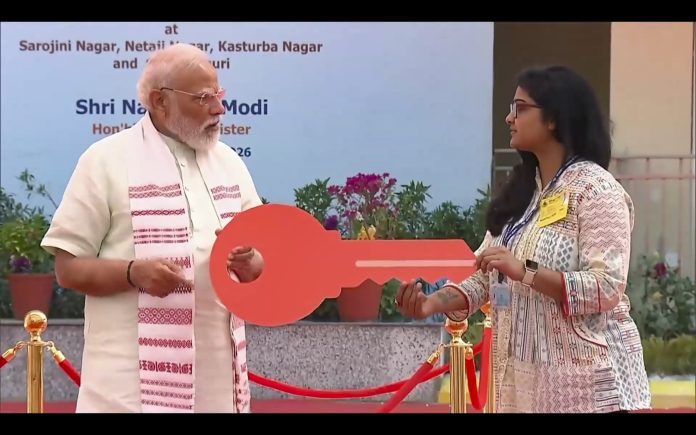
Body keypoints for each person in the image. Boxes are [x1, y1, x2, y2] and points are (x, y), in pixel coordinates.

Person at [396, 65, 651, 413]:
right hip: (520, 388)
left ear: (554, 118)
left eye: (520, 108)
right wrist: (429, 304)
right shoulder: (522, 193)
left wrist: (525, 271)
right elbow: (485, 277)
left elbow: (606, 287)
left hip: (587, 391)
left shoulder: (596, 190)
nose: (509, 118)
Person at [41, 43, 264, 413]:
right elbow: (68, 268)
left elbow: (260, 259)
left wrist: (251, 262)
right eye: (203, 97)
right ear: (160, 101)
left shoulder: (230, 163)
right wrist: (132, 273)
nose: (219, 108)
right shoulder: (105, 160)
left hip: (218, 389)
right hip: (129, 391)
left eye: (219, 94)